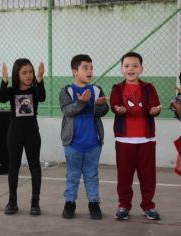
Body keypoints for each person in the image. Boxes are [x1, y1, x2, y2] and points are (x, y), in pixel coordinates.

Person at [111, 52, 161, 221]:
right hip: (124, 140)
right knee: (124, 175)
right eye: (126, 66)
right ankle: (124, 205)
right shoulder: (117, 89)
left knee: (148, 175)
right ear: (121, 69)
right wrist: (118, 109)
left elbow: (154, 106)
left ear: (141, 69)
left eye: (134, 65)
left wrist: (155, 110)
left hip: (146, 139)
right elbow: (114, 104)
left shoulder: (149, 88)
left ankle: (148, 206)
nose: (130, 69)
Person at [59, 54, 109, 220]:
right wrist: (81, 101)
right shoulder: (67, 90)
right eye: (85, 68)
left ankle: (93, 203)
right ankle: (69, 203)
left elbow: (102, 112)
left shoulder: (96, 89)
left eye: (91, 68)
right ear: (75, 71)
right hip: (73, 143)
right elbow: (67, 111)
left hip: (93, 143)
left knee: (92, 174)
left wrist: (100, 105)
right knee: (72, 175)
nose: (90, 71)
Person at [0, 58, 45, 216]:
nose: (28, 75)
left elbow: (42, 97)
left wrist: (40, 80)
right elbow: (2, 98)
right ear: (17, 75)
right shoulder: (12, 91)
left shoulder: (34, 91)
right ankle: (12, 202)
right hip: (14, 133)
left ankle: (35, 202)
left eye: (30, 72)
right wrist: (4, 81)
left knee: (35, 167)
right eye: (24, 72)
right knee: (13, 167)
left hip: (32, 133)